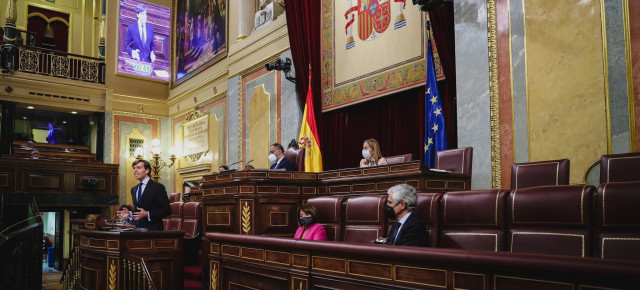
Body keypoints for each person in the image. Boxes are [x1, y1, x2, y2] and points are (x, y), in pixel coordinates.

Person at [117, 159, 171, 230]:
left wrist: (147, 214)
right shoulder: (133, 189)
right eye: (134, 168)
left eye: (138, 168)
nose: (135, 170)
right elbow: (139, 211)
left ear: (147, 170)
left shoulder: (157, 187)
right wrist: (130, 214)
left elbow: (167, 210)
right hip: (137, 231)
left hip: (153, 231)